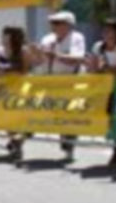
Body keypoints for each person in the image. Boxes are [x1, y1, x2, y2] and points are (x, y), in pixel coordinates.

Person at [31, 11, 86, 162]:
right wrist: (35, 53)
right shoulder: (47, 39)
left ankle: (69, 146)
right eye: (52, 23)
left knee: (69, 115)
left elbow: (77, 59)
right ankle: (23, 137)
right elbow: (39, 61)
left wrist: (56, 55)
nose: (53, 26)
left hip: (70, 82)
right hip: (51, 81)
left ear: (68, 25)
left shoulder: (77, 38)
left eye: (58, 23)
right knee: (51, 113)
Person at [87, 18, 116, 167]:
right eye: (105, 31)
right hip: (107, 90)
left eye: (110, 31)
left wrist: (105, 68)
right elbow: (92, 67)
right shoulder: (98, 47)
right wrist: (94, 67)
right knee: (113, 119)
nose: (106, 34)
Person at [0, 26, 35, 161]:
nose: (4, 39)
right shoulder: (0, 51)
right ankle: (14, 143)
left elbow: (25, 70)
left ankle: (18, 143)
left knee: (21, 120)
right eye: (4, 36)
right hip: (6, 89)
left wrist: (8, 72)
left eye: (7, 36)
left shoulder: (23, 51)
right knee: (8, 119)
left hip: (21, 88)